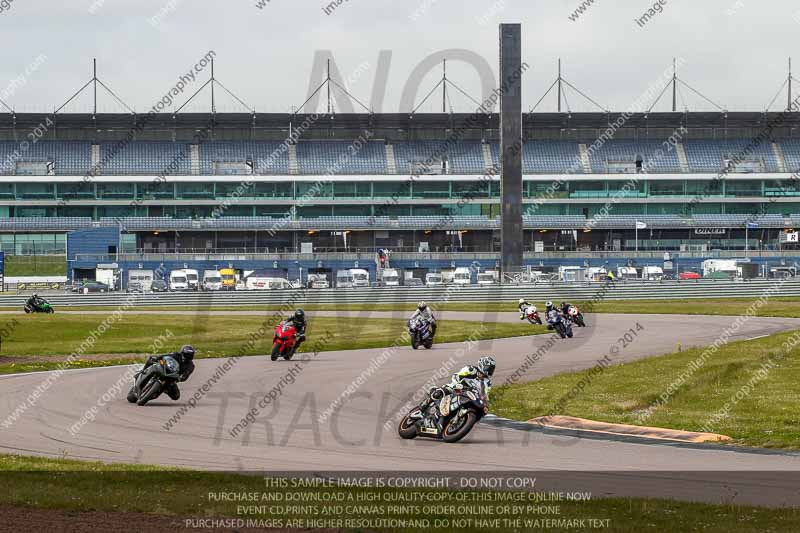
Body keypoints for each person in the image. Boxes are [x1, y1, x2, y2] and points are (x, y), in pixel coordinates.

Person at [421, 356, 496, 432]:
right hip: (456, 388)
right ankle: (424, 405)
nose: (490, 371)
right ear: (483, 365)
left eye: (492, 369)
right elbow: (457, 375)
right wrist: (457, 384)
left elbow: (484, 394)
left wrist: (485, 403)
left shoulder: (487, 382)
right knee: (438, 394)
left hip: (469, 395)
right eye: (489, 368)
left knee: (479, 411)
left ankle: (453, 420)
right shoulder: (471, 369)